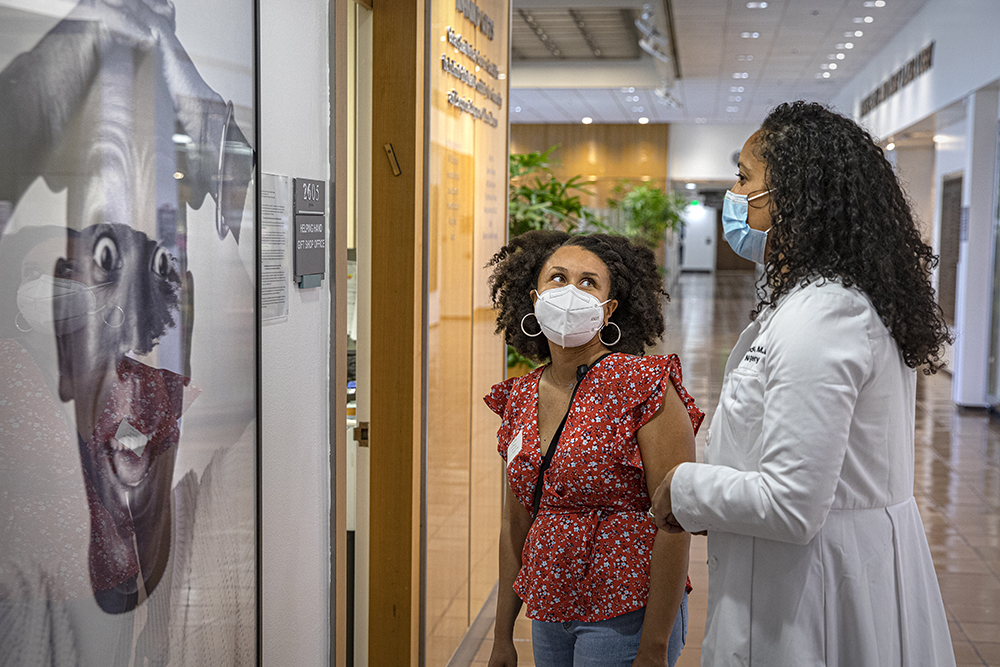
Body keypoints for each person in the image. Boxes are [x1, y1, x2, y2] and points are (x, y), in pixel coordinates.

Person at [650, 101, 955, 666]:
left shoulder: (825, 315)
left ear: (793, 194)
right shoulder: (821, 300)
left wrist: (683, 488)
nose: (734, 196)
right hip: (809, 574)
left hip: (813, 593)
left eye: (744, 177)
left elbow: (791, 504)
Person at [484, 230, 705, 667]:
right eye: (558, 278)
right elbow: (516, 522)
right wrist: (502, 635)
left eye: (588, 282)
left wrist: (654, 646)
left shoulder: (642, 385)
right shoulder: (522, 397)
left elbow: (675, 520)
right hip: (550, 604)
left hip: (626, 606)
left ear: (609, 310)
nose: (570, 292)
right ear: (534, 297)